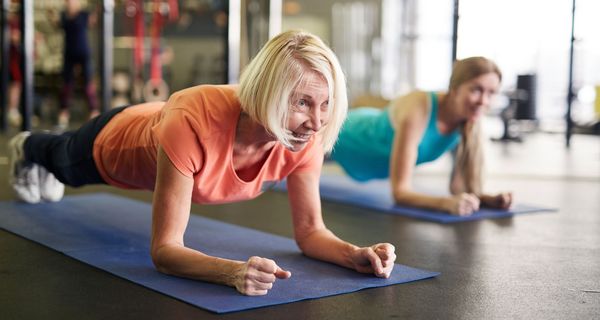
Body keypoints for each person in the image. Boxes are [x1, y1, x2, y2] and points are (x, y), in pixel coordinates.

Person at [8, 30, 396, 296]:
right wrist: (233, 272)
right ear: (268, 94)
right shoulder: (194, 123)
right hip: (115, 142)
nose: (317, 121)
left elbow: (311, 231)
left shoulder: (303, 136)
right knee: (62, 161)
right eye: (302, 103)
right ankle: (27, 147)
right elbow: (164, 251)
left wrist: (354, 254)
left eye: (326, 103)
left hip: (162, 123)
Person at [330, 56, 512, 216]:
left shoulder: (467, 123)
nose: (484, 101)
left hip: (367, 158)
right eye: (476, 90)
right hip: (348, 134)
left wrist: (487, 199)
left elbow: (457, 189)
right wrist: (445, 204)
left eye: (491, 93)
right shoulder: (419, 108)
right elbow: (400, 193)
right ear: (455, 89)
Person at [56, 0, 100, 128]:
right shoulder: (64, 15)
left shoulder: (84, 15)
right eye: (68, 2)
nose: (71, 4)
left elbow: (93, 21)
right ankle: (63, 113)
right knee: (66, 84)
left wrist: (98, 9)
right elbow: (58, 25)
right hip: (69, 53)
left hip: (83, 53)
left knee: (88, 84)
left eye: (73, 1)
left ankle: (94, 112)